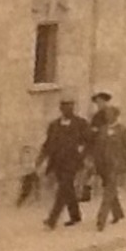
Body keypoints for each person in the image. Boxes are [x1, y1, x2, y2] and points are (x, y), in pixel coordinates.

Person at [40, 93, 90, 229]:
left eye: (70, 106)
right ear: (61, 108)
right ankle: (75, 216)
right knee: (68, 189)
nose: (68, 109)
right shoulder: (54, 125)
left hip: (72, 162)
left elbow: (89, 142)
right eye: (65, 106)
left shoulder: (81, 124)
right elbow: (48, 143)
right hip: (57, 162)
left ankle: (52, 220)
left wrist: (82, 156)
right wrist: (40, 159)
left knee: (63, 189)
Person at [92, 103, 126, 232]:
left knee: (108, 191)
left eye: (110, 114)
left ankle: (101, 220)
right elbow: (98, 149)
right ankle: (117, 213)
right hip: (103, 165)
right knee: (110, 189)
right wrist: (95, 164)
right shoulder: (102, 130)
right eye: (106, 115)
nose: (108, 117)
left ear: (116, 116)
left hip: (116, 165)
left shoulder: (122, 130)